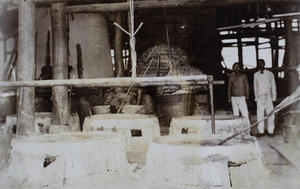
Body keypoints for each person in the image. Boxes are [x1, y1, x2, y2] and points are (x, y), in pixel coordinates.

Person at [254, 59, 277, 137]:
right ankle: (261, 131)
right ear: (258, 65)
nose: (261, 65)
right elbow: (255, 87)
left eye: (262, 63)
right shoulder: (256, 74)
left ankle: (271, 131)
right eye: (259, 64)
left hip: (268, 95)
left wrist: (274, 97)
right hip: (260, 95)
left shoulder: (270, 74)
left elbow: (273, 86)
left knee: (270, 113)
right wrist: (256, 97)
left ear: (264, 64)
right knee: (260, 114)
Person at [228, 62, 250, 131]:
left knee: (245, 114)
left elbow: (247, 86)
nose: (236, 68)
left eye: (238, 67)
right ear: (232, 68)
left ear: (240, 68)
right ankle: (238, 130)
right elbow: (229, 88)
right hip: (234, 97)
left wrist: (247, 96)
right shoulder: (231, 77)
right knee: (236, 115)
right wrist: (229, 98)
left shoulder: (243, 76)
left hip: (242, 96)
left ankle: (248, 130)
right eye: (235, 67)